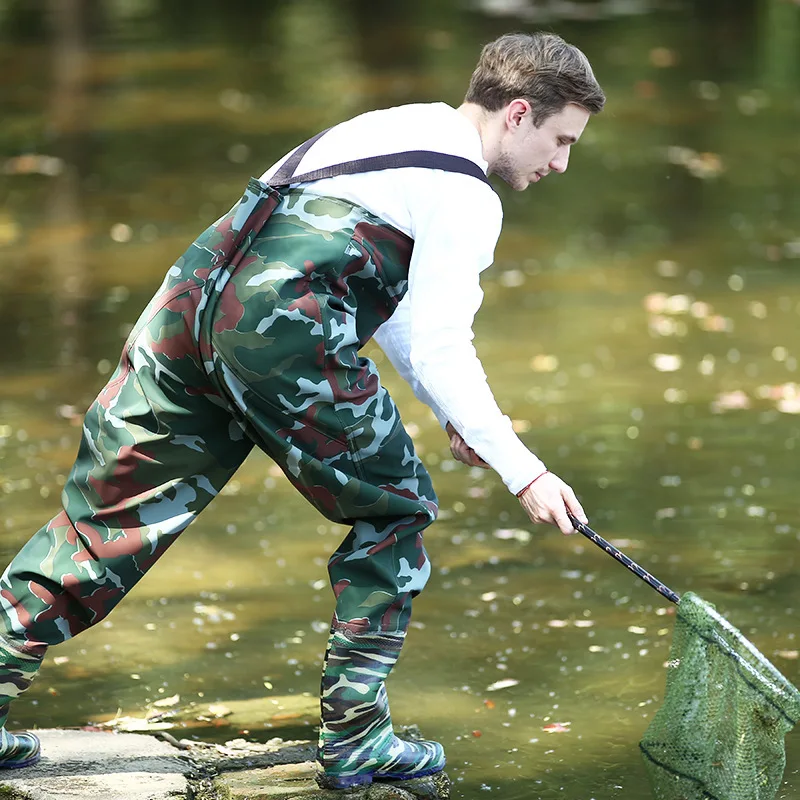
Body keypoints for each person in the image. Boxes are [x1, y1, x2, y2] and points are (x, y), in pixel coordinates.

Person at [0, 31, 604, 787]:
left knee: (112, 515)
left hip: (188, 311)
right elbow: (444, 342)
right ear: (517, 114)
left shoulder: (395, 126)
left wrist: (455, 415)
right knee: (395, 509)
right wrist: (527, 473)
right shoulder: (465, 192)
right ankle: (356, 738)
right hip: (282, 333)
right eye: (560, 140)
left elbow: (396, 312)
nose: (561, 163)